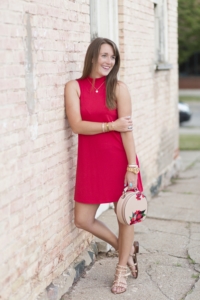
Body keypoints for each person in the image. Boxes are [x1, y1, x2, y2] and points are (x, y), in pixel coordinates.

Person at [65, 37, 143, 294]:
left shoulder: (119, 88)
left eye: (113, 57)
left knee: (125, 216)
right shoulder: (74, 87)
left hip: (120, 159)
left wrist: (132, 166)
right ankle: (126, 247)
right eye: (105, 55)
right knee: (83, 219)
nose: (109, 61)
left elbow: (127, 132)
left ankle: (121, 270)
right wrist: (111, 125)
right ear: (92, 57)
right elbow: (77, 125)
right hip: (91, 163)